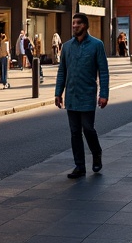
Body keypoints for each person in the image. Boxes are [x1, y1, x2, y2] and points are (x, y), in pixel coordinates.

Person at [55, 14, 110, 179]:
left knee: (88, 128)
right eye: (73, 23)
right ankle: (79, 166)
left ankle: (96, 152)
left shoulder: (96, 45)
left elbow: (104, 72)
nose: (75, 26)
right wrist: (58, 93)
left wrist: (104, 94)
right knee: (74, 132)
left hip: (87, 94)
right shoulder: (66, 47)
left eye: (78, 23)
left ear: (85, 26)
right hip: (71, 95)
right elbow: (62, 72)